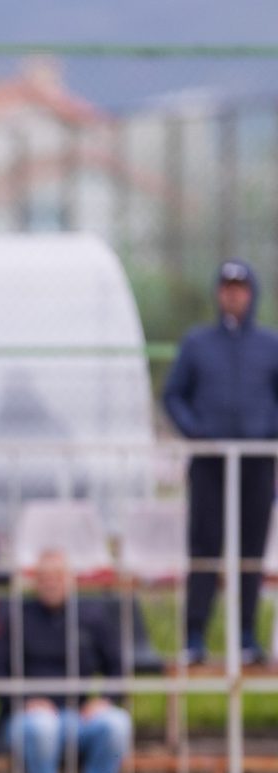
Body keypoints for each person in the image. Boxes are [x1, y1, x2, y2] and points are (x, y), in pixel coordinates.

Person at [163, 259, 278, 665]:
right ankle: (195, 637)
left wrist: (267, 434)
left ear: (251, 293)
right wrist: (198, 433)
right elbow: (173, 395)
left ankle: (246, 636)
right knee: (205, 550)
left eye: (240, 288)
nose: (233, 295)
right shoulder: (197, 344)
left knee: (250, 551)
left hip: (257, 465)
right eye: (227, 287)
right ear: (218, 293)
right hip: (210, 466)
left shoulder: (270, 345)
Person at [0, 550, 132, 773]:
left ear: (70, 580)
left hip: (76, 716)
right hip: (25, 718)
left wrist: (106, 699)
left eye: (57, 577)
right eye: (44, 578)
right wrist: (24, 700)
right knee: (41, 726)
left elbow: (119, 666)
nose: (51, 584)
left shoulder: (90, 618)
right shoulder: (15, 618)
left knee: (117, 724)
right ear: (34, 581)